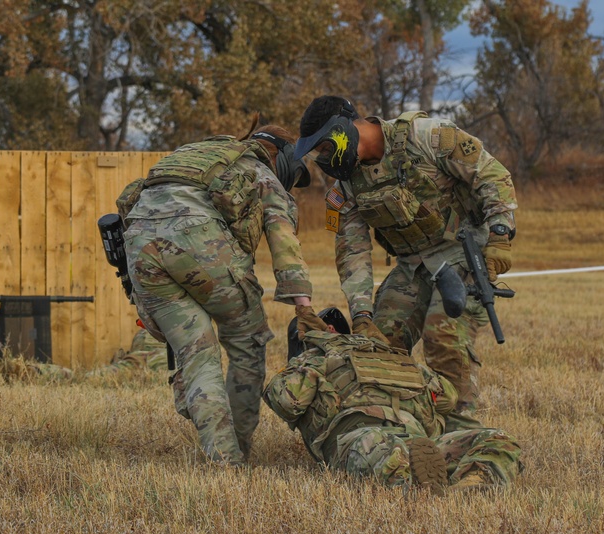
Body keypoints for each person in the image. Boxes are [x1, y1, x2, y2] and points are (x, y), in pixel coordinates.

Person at [293, 96, 518, 431]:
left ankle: (464, 434)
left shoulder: (425, 136)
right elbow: (352, 252)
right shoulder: (344, 191)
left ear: (343, 130)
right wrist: (362, 316)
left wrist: (500, 233)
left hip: (462, 252)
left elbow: (492, 175)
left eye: (324, 148)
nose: (323, 159)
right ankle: (403, 429)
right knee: (376, 349)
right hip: (412, 266)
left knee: (444, 341)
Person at [118, 123, 329, 465]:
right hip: (198, 243)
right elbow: (282, 235)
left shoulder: (194, 152)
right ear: (284, 156)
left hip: (140, 250)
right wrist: (302, 304)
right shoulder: (260, 169)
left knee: (197, 354)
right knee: (248, 340)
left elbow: (131, 204)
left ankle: (223, 460)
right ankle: (238, 449)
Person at [263, 323, 523, 494]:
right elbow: (447, 397)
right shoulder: (316, 361)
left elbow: (287, 401)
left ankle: (470, 489)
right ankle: (422, 491)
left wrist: (397, 361)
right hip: (360, 435)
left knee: (498, 440)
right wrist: (312, 361)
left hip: (417, 441)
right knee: (386, 450)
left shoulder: (393, 360)